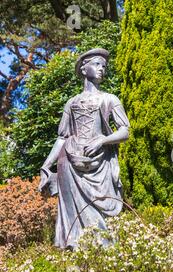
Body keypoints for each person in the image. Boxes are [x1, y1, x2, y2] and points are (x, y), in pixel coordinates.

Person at [38, 48, 130, 249]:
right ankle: (75, 252)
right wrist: (46, 165)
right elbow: (62, 137)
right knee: (71, 215)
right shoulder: (71, 103)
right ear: (83, 68)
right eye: (97, 64)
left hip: (99, 165)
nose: (102, 70)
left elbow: (125, 131)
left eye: (104, 66)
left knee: (101, 215)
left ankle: (102, 258)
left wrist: (102, 141)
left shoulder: (110, 99)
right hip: (69, 164)